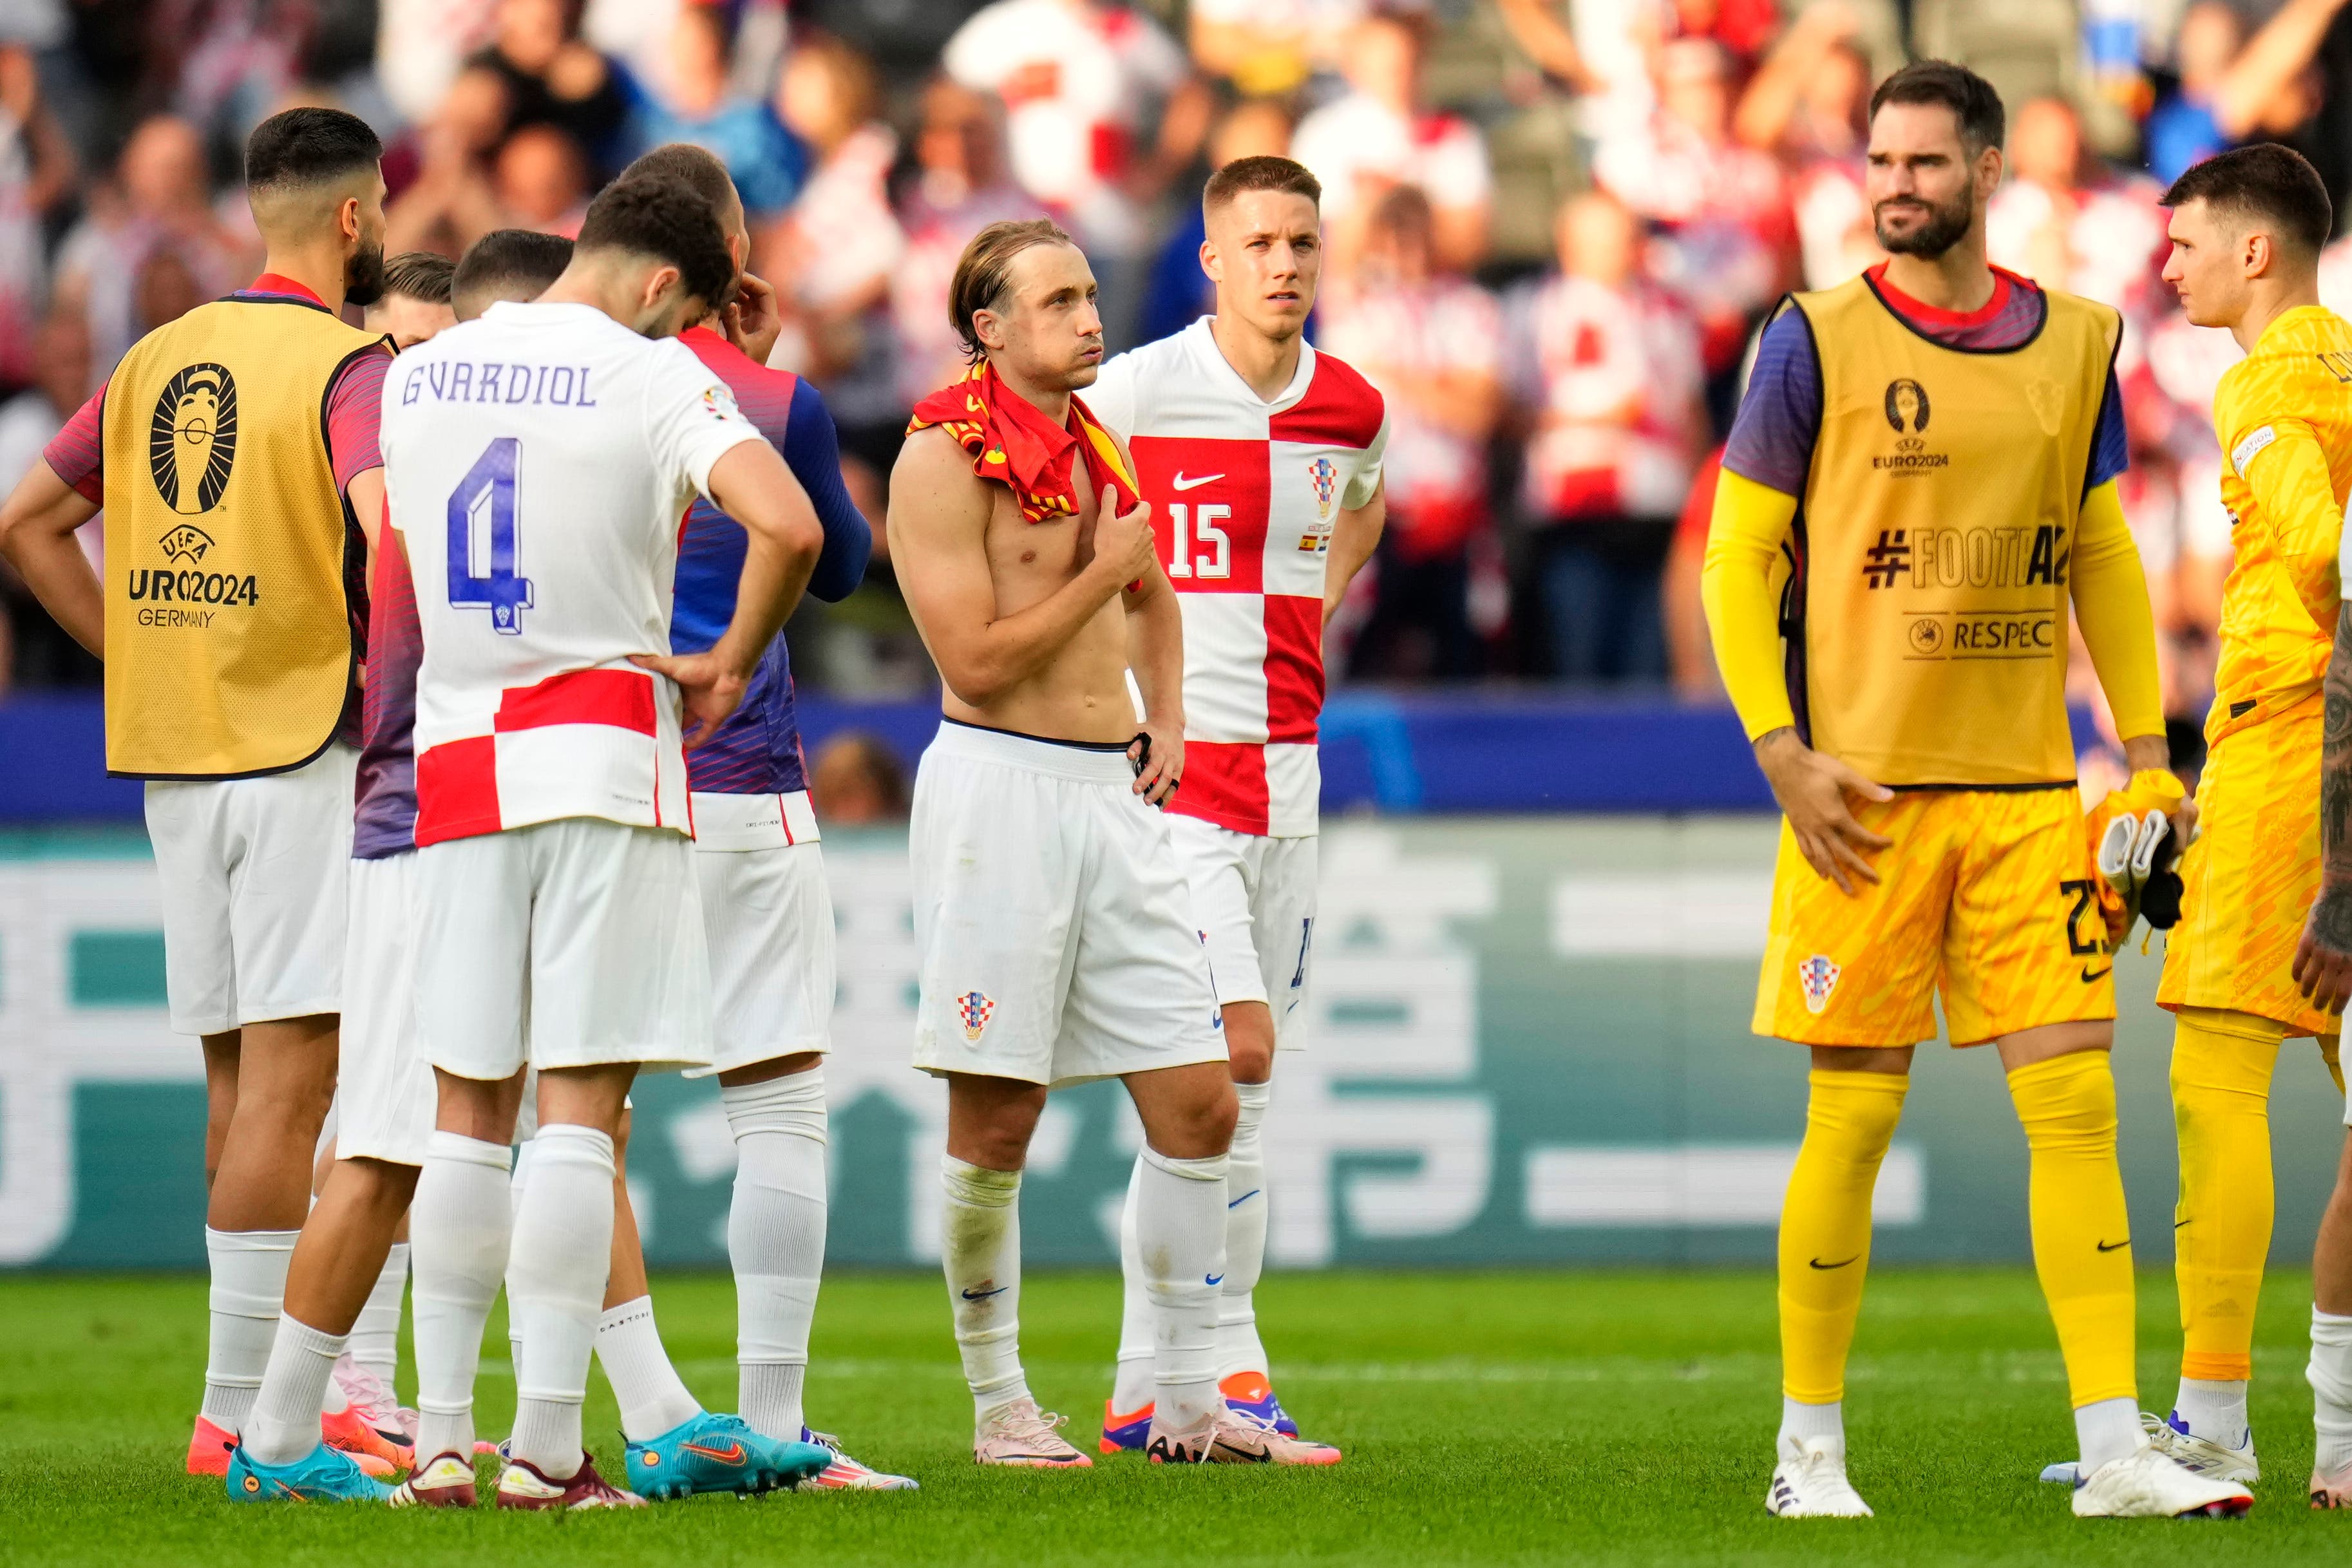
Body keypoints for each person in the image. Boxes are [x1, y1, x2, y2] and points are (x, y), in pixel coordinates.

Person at [1698, 61, 2249, 1521]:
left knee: (2072, 1109)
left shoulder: (2078, 340)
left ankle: (2113, 1445)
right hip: (1857, 799)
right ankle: (1805, 1451)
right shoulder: (1805, 335)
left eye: (1924, 162)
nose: (1893, 183)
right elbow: (1734, 553)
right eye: (1877, 158)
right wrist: (1776, 747)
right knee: (1850, 1123)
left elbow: (2101, 551)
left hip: (2020, 794)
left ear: (1988, 170)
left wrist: (2142, 745)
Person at [380, 175, 825, 1511]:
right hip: (602, 746)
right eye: (682, 310)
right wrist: (728, 659)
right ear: (654, 288)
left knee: (464, 1112)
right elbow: (791, 522)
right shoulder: (648, 381)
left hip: (458, 754)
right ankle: (545, 1448)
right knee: (577, 1112)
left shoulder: (419, 375)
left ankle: (441, 1437)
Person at [0, 106, 395, 1482]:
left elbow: (25, 523)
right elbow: (385, 530)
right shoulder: (352, 364)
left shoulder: (156, 353)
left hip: (182, 754)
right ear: (357, 216)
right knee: (298, 1085)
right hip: (302, 748)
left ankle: (228, 1407)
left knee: (238, 1083)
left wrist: (136, 649)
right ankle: (238, 1420)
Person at [890, 218, 1294, 1467]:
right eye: (1056, 299)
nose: (1086, 314)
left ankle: (1181, 1398)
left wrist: (1164, 715)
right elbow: (971, 658)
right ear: (988, 326)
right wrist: (1102, 568)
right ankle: (1000, 1398)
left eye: (1086, 293)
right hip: (999, 797)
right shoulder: (938, 456)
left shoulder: (1089, 440)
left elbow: (1152, 596)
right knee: (996, 1123)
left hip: (1111, 800)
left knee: (1199, 1099)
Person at [611, 141, 909, 1492]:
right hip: (739, 771)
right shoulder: (765, 394)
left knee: (571, 1112)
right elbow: (842, 567)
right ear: (726, 261)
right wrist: (778, 372)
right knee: (779, 1097)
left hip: (590, 780)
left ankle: (574, 1419)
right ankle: (770, 1414)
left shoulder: (545, 382)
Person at [1083, 153, 1381, 1462]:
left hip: (1293, 770)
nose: (1281, 263)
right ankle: (1232, 1357)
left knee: (1240, 1097)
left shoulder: (1353, 408)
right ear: (1210, 259)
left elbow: (1356, 516)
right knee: (1231, 1058)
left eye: (1301, 242)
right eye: (1256, 241)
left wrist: (1307, 606)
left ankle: (1152, 1380)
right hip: (1178, 777)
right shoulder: (1135, 389)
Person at [2152, 147, 2352, 1499]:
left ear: (2253, 252)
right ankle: (2330, 1428)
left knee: (2214, 1070)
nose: (2166, 262)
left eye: (2183, 241)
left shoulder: (2264, 378)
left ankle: (2210, 1422)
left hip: (2294, 736)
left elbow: (2323, 547)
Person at [1321, 185, 1497, 682]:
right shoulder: (1354, 313)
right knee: (1363, 654)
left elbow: (1480, 413)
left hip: (1454, 508)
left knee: (1460, 657)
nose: (1407, 252)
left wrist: (1400, 379)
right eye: (1394, 237)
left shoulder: (1470, 309)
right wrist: (1443, 387)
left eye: (1417, 236)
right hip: (1378, 512)